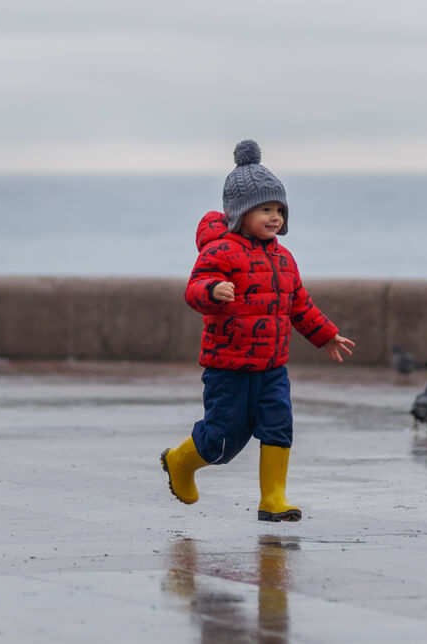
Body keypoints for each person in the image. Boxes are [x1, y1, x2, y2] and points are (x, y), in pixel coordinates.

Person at [161, 140, 355, 522]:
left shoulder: (283, 258)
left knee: (278, 425)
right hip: (229, 366)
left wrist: (325, 334)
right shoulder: (219, 250)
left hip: (272, 366)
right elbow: (194, 289)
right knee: (223, 439)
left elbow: (299, 303)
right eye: (265, 209)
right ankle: (181, 459)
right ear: (239, 213)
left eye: (279, 209)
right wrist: (214, 292)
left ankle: (273, 498)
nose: (275, 217)